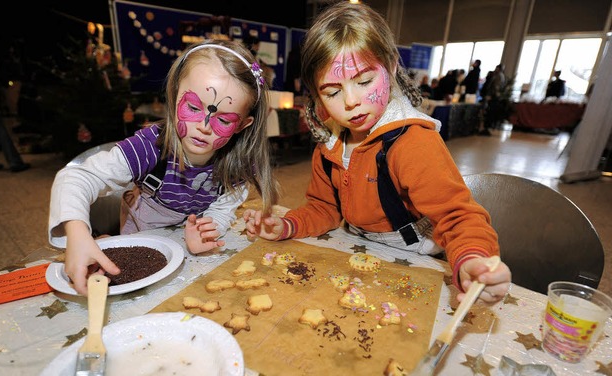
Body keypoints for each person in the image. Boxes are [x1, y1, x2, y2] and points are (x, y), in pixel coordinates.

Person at [242, 2, 511, 304]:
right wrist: (289, 224)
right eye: (332, 92)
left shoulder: (412, 142)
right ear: (316, 95)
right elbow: (324, 209)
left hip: (414, 258)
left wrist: (473, 258)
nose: (351, 101)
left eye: (365, 81)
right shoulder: (330, 144)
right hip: (359, 251)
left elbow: (458, 216)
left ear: (392, 67)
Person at [49, 39, 280, 295]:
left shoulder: (237, 165)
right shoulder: (151, 148)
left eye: (223, 119)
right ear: (174, 94)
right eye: (193, 107)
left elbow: (223, 209)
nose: (204, 126)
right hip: (140, 242)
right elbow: (76, 177)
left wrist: (208, 229)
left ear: (242, 125)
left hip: (185, 255)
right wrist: (78, 234)